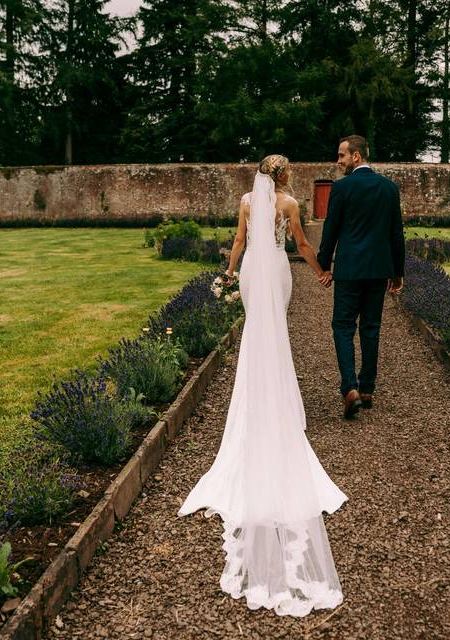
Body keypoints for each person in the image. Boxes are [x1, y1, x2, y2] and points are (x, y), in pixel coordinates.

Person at [178, 154, 347, 617]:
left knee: (257, 333)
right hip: (275, 270)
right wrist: (319, 271)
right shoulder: (290, 204)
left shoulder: (247, 200)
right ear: (284, 175)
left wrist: (231, 272)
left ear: (260, 174)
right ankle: (278, 403)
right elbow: (300, 245)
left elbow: (237, 241)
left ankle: (257, 396)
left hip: (255, 270)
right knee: (276, 335)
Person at [317, 135, 405, 419]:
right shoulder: (389, 189)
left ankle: (350, 389)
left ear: (356, 156)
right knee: (371, 327)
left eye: (342, 155)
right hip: (378, 270)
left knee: (342, 326)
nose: (338, 161)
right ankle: (367, 388)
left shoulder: (342, 188)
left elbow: (331, 229)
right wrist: (397, 271)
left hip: (349, 269)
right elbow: (396, 234)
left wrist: (324, 265)